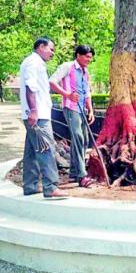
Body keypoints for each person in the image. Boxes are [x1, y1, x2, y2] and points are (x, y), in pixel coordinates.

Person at [19, 37, 68, 198]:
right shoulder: (33, 62)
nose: (52, 53)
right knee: (47, 148)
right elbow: (30, 87)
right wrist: (34, 110)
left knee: (32, 151)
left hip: (36, 114)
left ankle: (30, 185)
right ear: (41, 47)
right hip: (38, 115)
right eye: (51, 49)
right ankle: (51, 186)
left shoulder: (34, 62)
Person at [49, 45, 96, 188]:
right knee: (78, 138)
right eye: (87, 56)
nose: (89, 59)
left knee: (84, 140)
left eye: (91, 57)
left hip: (82, 110)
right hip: (71, 108)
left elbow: (87, 92)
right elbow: (52, 82)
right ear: (78, 55)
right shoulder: (67, 66)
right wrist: (67, 95)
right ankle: (82, 176)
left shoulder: (85, 71)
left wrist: (91, 110)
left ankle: (74, 173)